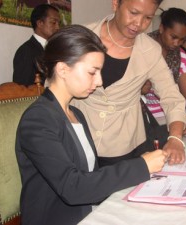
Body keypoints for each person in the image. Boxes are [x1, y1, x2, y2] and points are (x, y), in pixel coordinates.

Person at [15, 25, 167, 225]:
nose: (99, 81)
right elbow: (73, 187)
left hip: (87, 212)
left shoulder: (76, 113)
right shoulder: (38, 120)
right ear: (62, 69)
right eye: (92, 72)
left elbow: (90, 176)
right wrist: (141, 166)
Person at [72, 0, 186, 167]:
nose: (139, 24)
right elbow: (55, 90)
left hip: (124, 147)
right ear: (115, 4)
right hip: (77, 140)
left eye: (148, 18)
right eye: (133, 13)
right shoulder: (81, 36)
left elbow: (172, 97)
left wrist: (176, 138)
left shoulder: (150, 51)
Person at [13, 4, 60, 86]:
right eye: (53, 22)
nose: (57, 27)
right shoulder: (26, 51)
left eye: (58, 23)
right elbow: (22, 88)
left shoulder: (56, 49)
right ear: (40, 23)